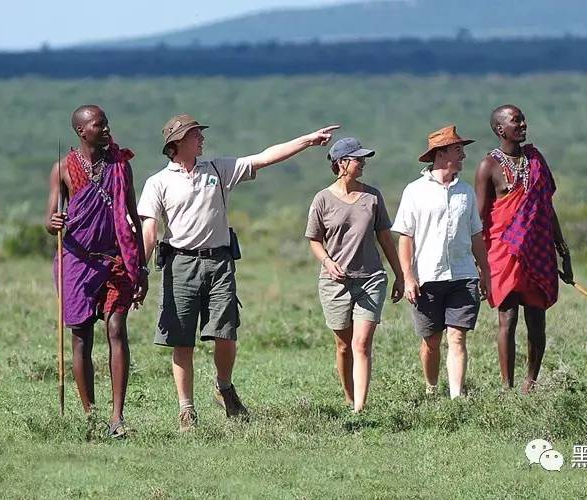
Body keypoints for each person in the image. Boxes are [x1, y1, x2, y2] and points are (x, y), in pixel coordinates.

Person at [138, 113, 337, 431]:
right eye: (194, 135)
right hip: (179, 264)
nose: (201, 138)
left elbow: (264, 157)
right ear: (176, 143)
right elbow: (150, 230)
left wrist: (307, 140)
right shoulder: (158, 183)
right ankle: (186, 410)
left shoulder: (218, 169)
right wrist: (140, 268)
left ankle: (224, 386)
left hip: (219, 262)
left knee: (226, 333)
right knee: (182, 340)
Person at [45, 105, 148, 438]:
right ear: (82, 131)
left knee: (116, 328)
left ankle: (117, 418)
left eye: (106, 124)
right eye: (99, 125)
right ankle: (91, 417)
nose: (106, 129)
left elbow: (133, 217)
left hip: (115, 259)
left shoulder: (121, 166)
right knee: (81, 337)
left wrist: (140, 266)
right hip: (77, 261)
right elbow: (50, 220)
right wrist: (53, 222)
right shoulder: (62, 169)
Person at [475, 105, 574, 394]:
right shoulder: (487, 167)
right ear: (499, 129)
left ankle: (530, 382)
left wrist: (563, 253)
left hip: (538, 250)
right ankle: (507, 387)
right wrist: (480, 266)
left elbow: (547, 209)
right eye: (515, 121)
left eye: (522, 119)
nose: (522, 124)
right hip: (503, 252)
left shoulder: (536, 159)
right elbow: (479, 219)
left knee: (536, 318)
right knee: (507, 317)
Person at [305, 137, 404, 413]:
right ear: (341, 164)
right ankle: (349, 397)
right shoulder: (322, 199)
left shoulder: (372, 197)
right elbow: (314, 239)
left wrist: (400, 275)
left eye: (363, 158)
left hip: (371, 279)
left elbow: (385, 238)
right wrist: (326, 261)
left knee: (361, 344)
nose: (363, 163)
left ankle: (360, 407)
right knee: (344, 346)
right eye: (358, 158)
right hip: (335, 283)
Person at [393, 125, 490, 399]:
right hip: (427, 277)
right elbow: (406, 238)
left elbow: (476, 235)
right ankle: (432, 388)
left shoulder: (466, 192)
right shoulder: (414, 191)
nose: (463, 156)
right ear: (441, 153)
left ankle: (456, 397)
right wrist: (408, 276)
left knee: (457, 338)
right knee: (432, 342)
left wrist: (485, 271)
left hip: (463, 275)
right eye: (458, 150)